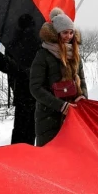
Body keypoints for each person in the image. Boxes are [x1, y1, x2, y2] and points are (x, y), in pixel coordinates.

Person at [30, 8, 88, 146]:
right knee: (49, 159)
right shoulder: (43, 55)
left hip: (73, 115)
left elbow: (83, 80)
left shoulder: (75, 55)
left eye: (71, 32)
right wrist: (61, 106)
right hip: (48, 117)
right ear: (56, 33)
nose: (68, 36)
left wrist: (83, 96)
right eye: (64, 33)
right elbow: (35, 88)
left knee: (70, 157)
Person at [6, 13, 42, 145]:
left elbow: (10, 70)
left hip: (21, 88)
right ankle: (27, 151)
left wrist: (14, 85)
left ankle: (18, 152)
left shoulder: (12, 44)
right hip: (34, 90)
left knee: (20, 126)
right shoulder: (39, 43)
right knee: (31, 126)